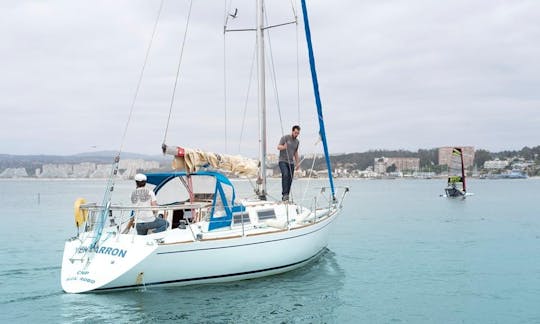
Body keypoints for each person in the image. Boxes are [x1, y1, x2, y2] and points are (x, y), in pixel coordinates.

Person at [277, 125, 301, 201]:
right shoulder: (285, 138)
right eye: (295, 132)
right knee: (285, 174)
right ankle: (284, 194)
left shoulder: (297, 142)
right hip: (282, 161)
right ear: (292, 131)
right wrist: (284, 147)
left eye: (298, 133)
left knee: (290, 179)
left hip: (291, 162)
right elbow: (278, 147)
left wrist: (297, 163)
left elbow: (296, 152)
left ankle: (287, 195)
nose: (296, 134)